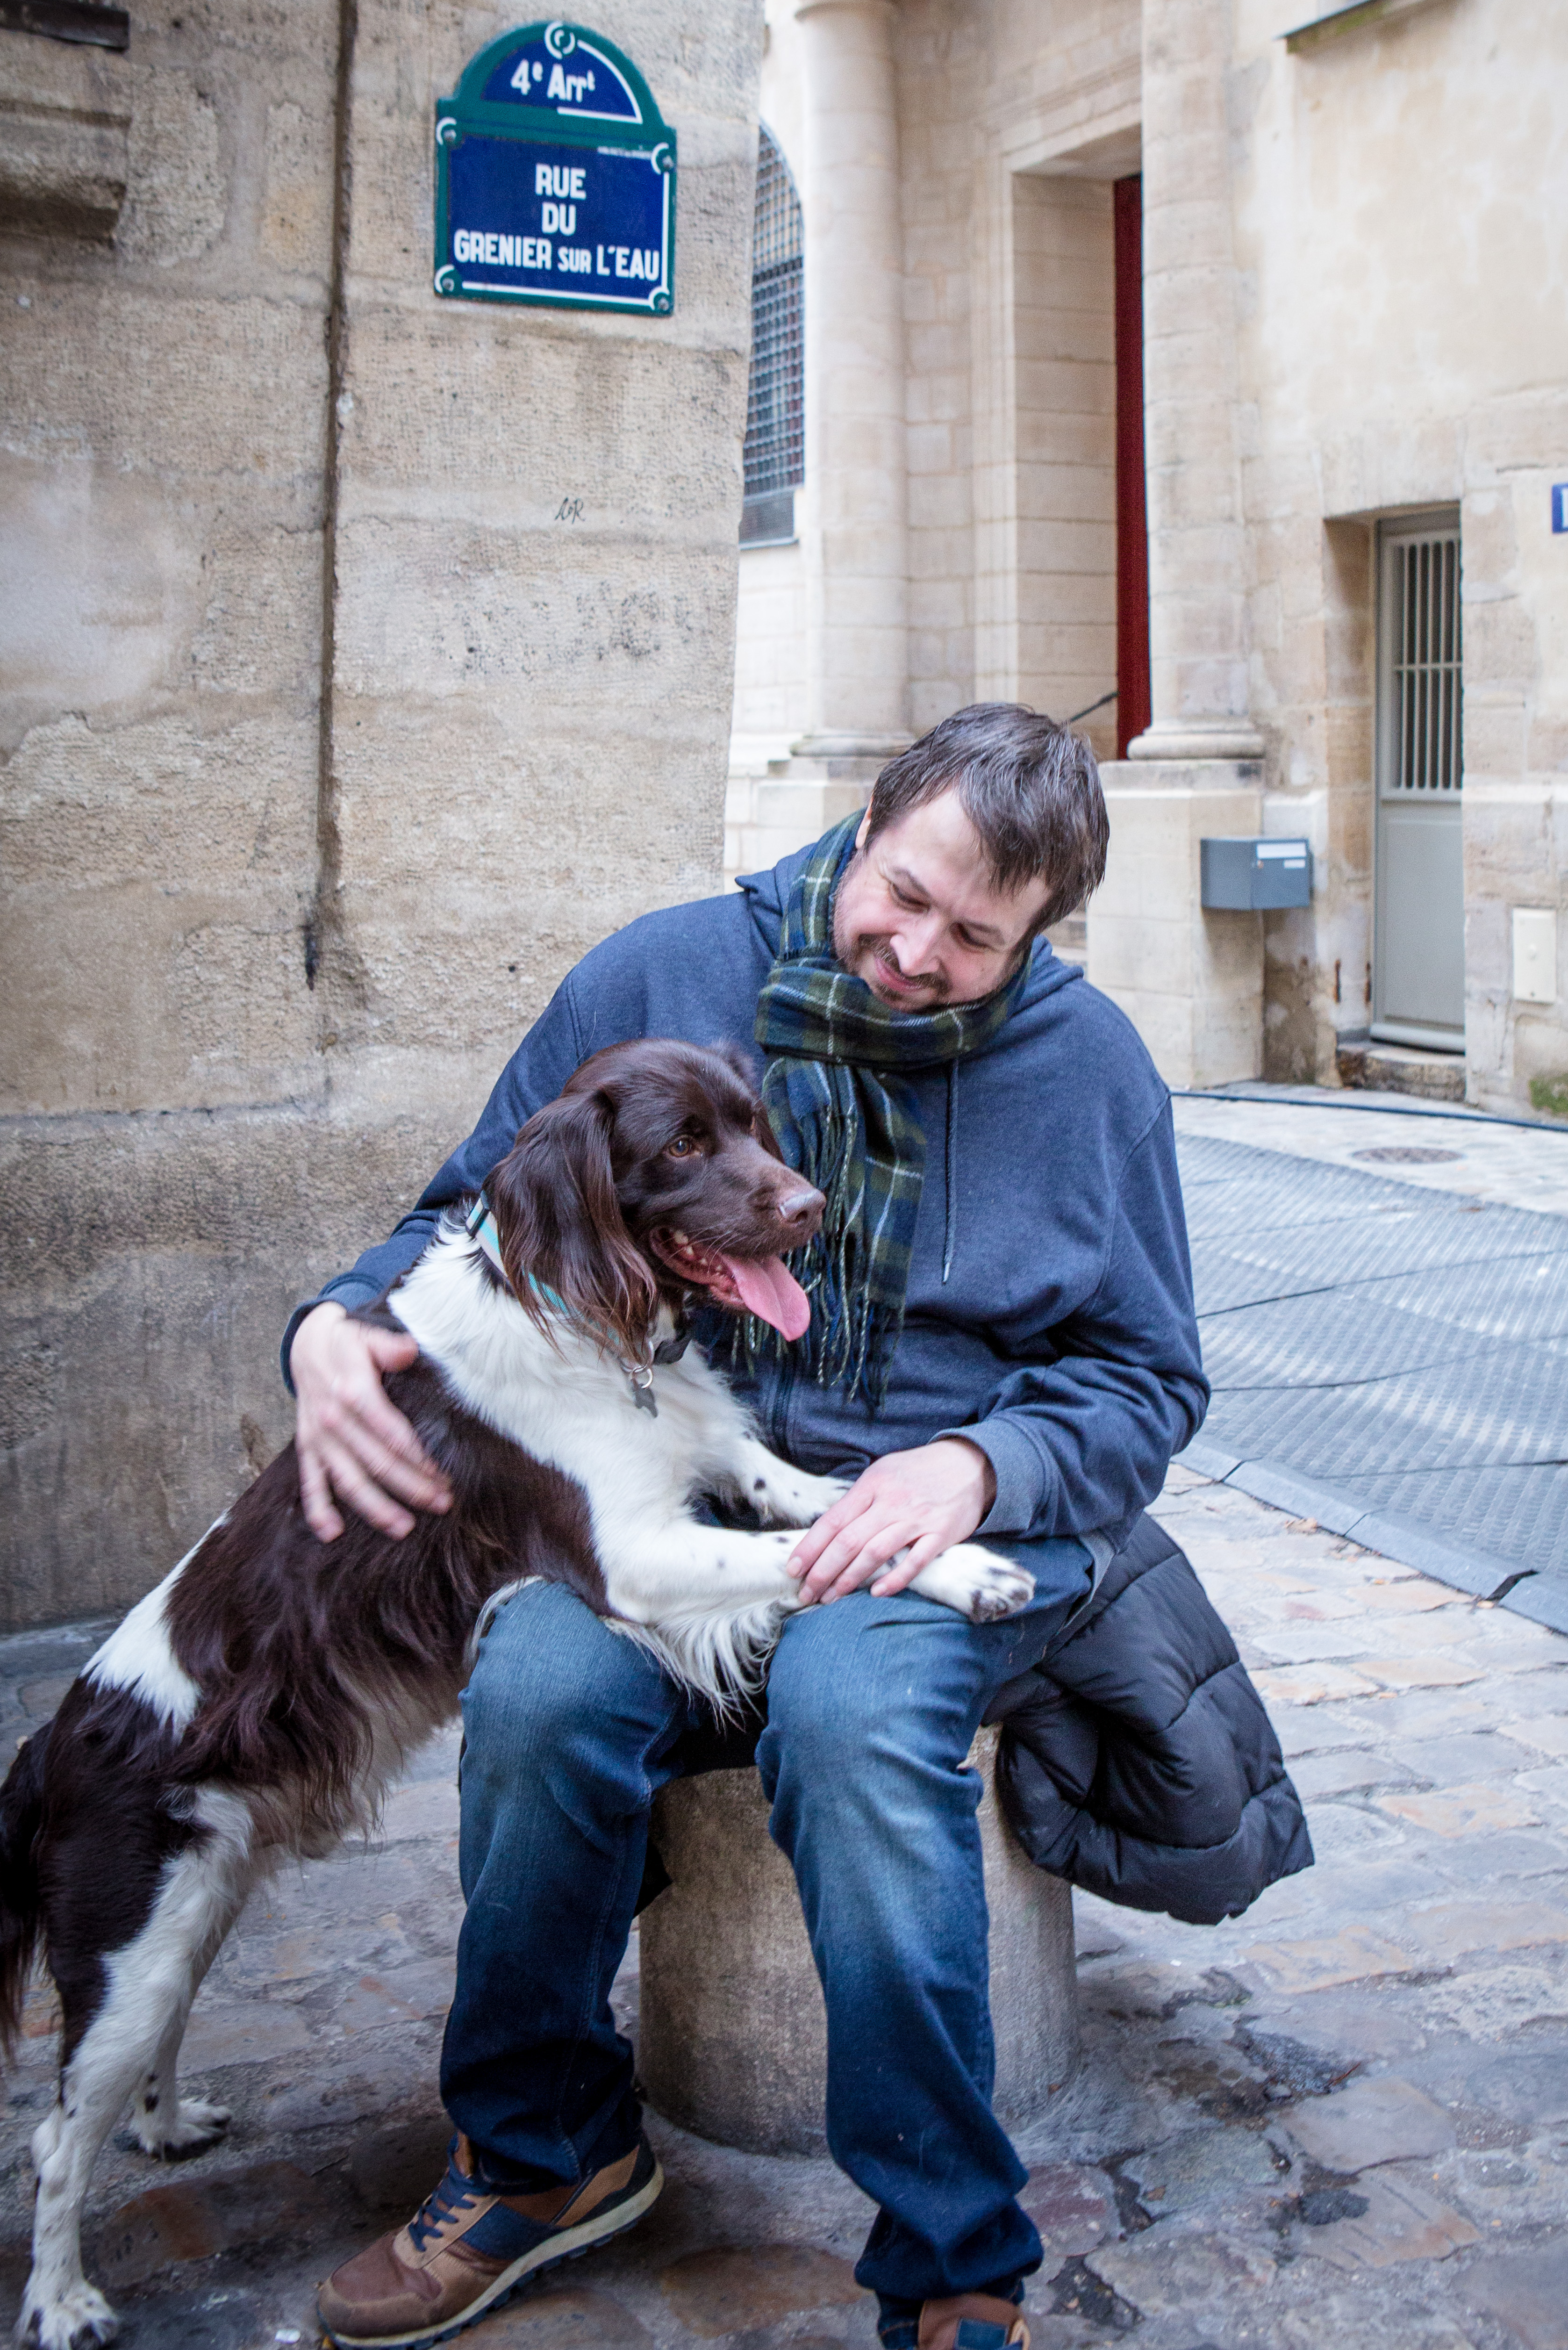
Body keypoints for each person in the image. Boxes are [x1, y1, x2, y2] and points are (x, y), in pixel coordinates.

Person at [293, 704, 1208, 2350]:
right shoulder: (658, 975)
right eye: (903, 894)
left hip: (935, 1526)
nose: (913, 949)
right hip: (668, 1491)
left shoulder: (1094, 1073)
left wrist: (982, 1467)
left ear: (1039, 937)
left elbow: (1149, 1378)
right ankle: (543, 2149)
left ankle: (956, 2260)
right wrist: (330, 1324)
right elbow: (465, 1207)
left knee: (851, 1717)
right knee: (540, 1694)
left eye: (973, 938)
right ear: (867, 829)